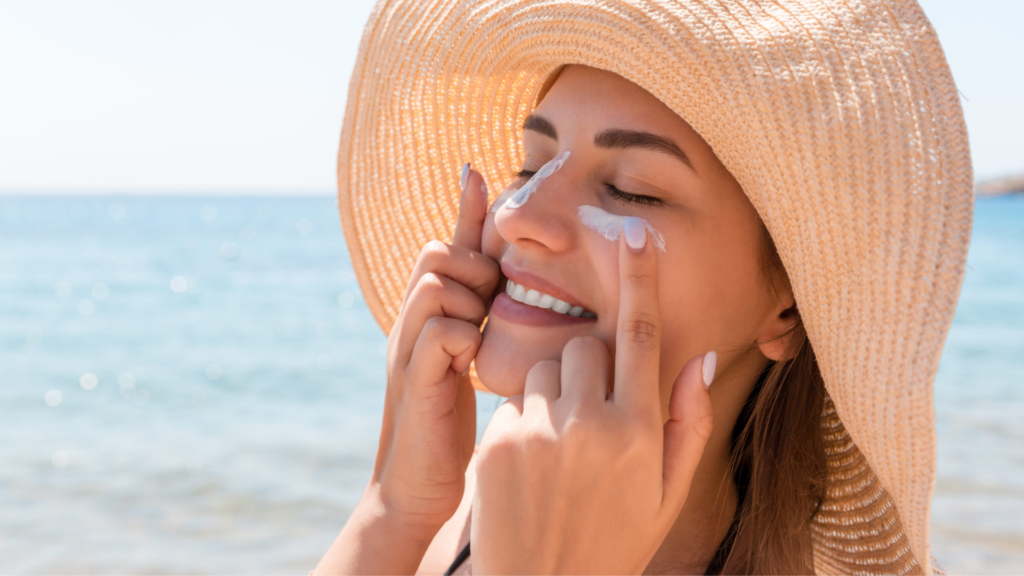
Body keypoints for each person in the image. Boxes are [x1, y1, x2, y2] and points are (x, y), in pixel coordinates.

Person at [315, 0, 973, 573]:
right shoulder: (459, 516)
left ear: (789, 307)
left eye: (633, 189)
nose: (517, 215)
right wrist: (393, 507)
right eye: (530, 165)